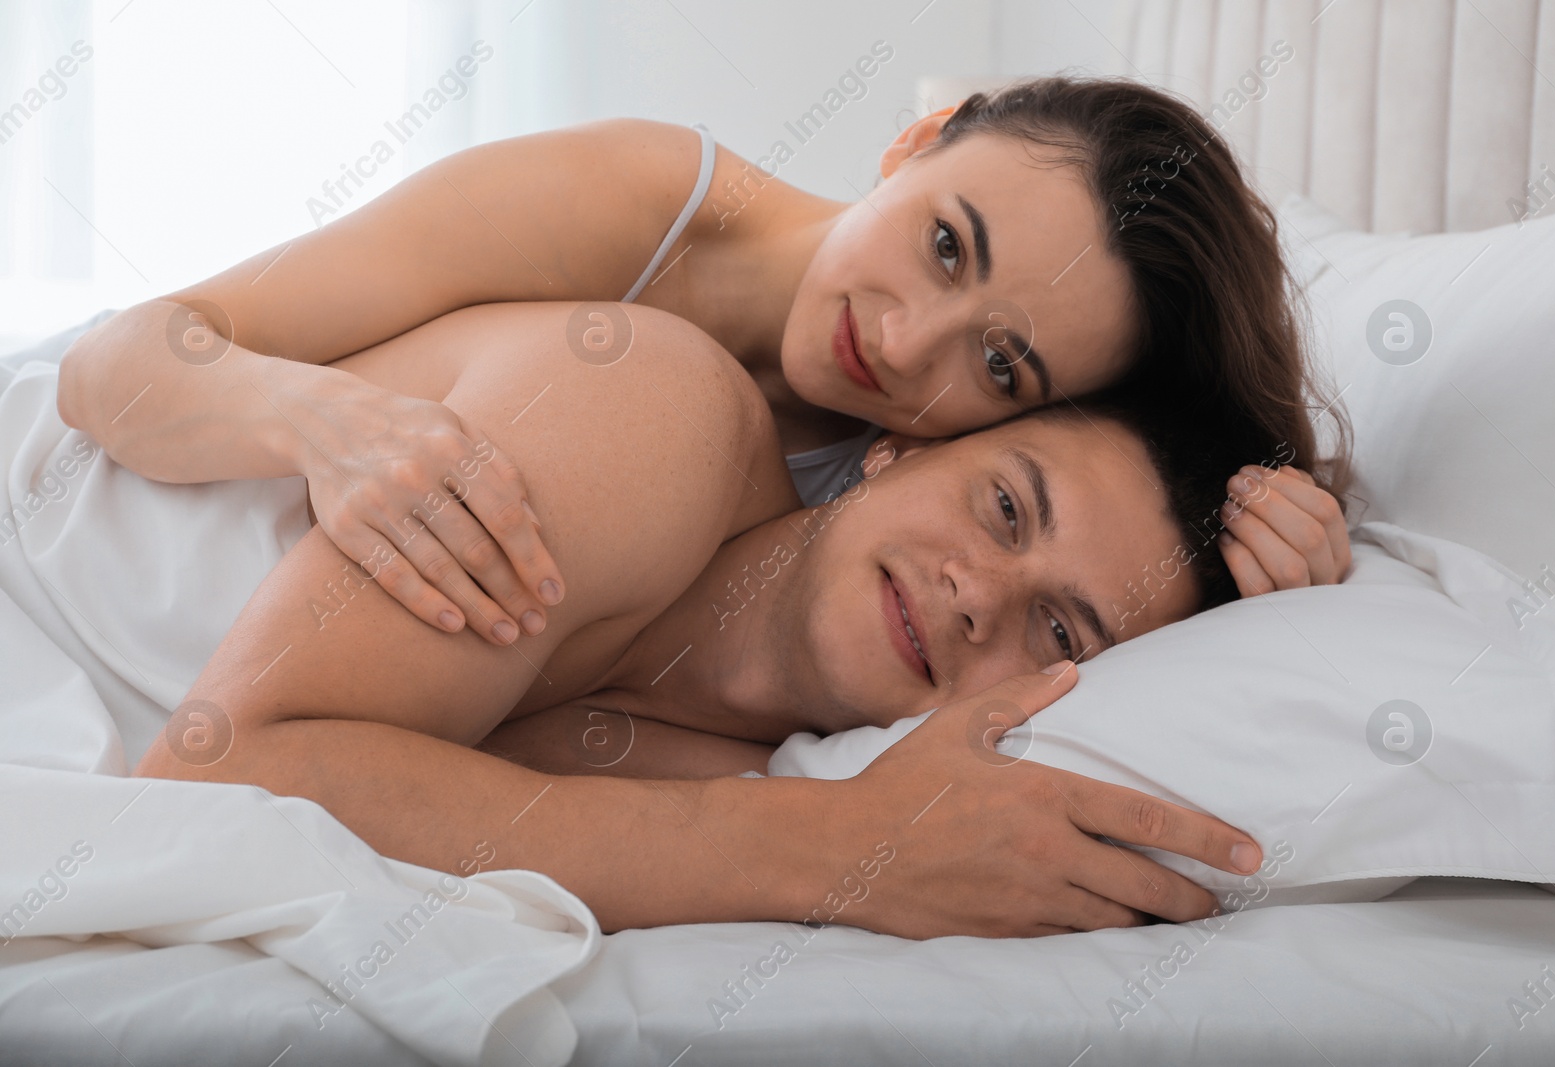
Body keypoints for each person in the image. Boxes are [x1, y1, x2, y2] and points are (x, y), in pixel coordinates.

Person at [135, 300, 1344, 940]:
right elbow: (217, 771)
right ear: (895, 450)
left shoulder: (723, 768)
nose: (979, 592)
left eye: (1064, 636)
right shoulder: (651, 410)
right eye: (1003, 507)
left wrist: (1285, 641)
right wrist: (830, 850)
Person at [58, 76, 1351, 653]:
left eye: (1003, 366)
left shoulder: (919, 488)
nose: (904, 342)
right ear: (918, 140)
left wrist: (1271, 543)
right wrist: (326, 424)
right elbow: (119, 360)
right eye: (948, 245)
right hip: (86, 502)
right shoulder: (630, 199)